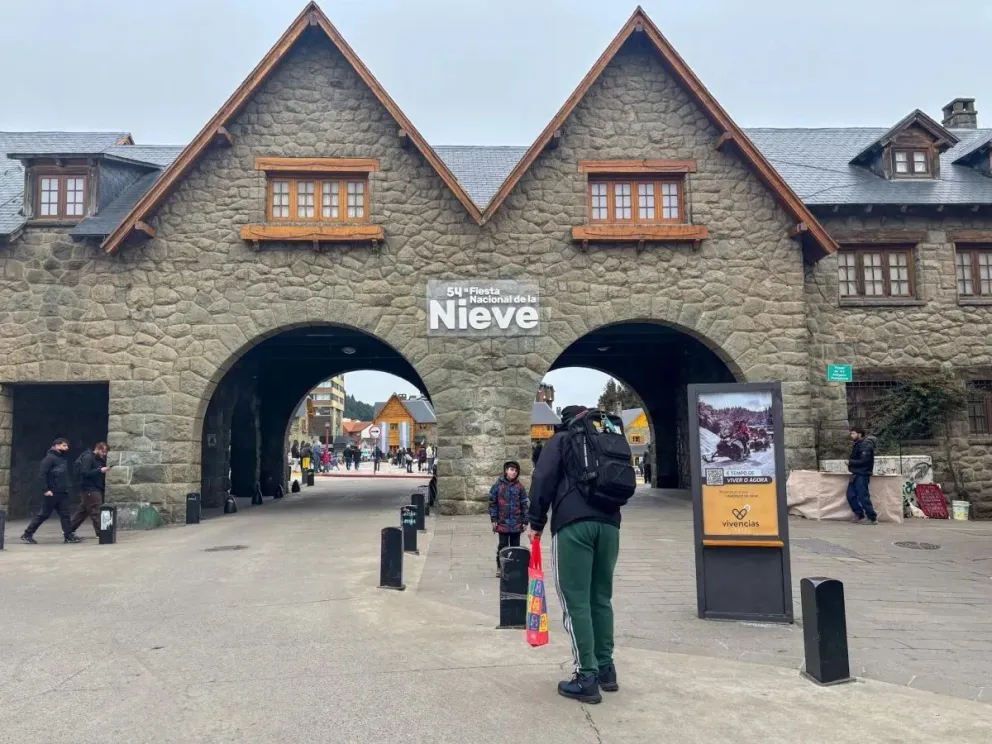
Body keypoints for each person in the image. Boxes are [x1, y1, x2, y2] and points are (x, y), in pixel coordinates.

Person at [526, 405, 622, 705]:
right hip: (610, 524)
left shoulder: (562, 439)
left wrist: (536, 523)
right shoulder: (606, 439)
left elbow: (543, 479)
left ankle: (586, 676)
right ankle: (606, 669)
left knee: (575, 601)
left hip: (573, 526)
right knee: (601, 598)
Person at [21, 438, 83, 544]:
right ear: (57, 446)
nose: (67, 448)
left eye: (66, 446)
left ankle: (68, 536)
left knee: (65, 514)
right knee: (44, 514)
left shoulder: (61, 458)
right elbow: (42, 475)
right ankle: (27, 534)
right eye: (64, 446)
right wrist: (46, 490)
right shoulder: (49, 459)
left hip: (62, 491)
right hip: (52, 492)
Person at [488, 460, 529, 578]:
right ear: (506, 471)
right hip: (503, 522)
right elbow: (492, 503)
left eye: (516, 471)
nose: (514, 472)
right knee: (503, 545)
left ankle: (513, 568)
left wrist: (525, 520)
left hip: (516, 522)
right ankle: (500, 566)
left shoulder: (520, 487)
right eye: (511, 470)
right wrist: (494, 518)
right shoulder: (497, 486)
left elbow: (524, 504)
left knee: (515, 546)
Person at [68, 441, 110, 538]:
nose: (104, 454)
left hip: (93, 488)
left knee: (83, 511)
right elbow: (84, 472)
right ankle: (101, 533)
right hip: (90, 488)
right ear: (98, 449)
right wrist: (99, 470)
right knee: (96, 510)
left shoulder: (98, 459)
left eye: (105, 452)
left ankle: (68, 529)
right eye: (103, 452)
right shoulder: (88, 458)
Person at [847, 427, 878, 525]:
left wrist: (850, 462)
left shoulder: (865, 446)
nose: (851, 435)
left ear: (860, 434)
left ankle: (872, 518)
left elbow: (864, 461)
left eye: (853, 433)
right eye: (851, 433)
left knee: (863, 496)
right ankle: (859, 514)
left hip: (862, 474)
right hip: (856, 474)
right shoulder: (857, 445)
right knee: (850, 495)